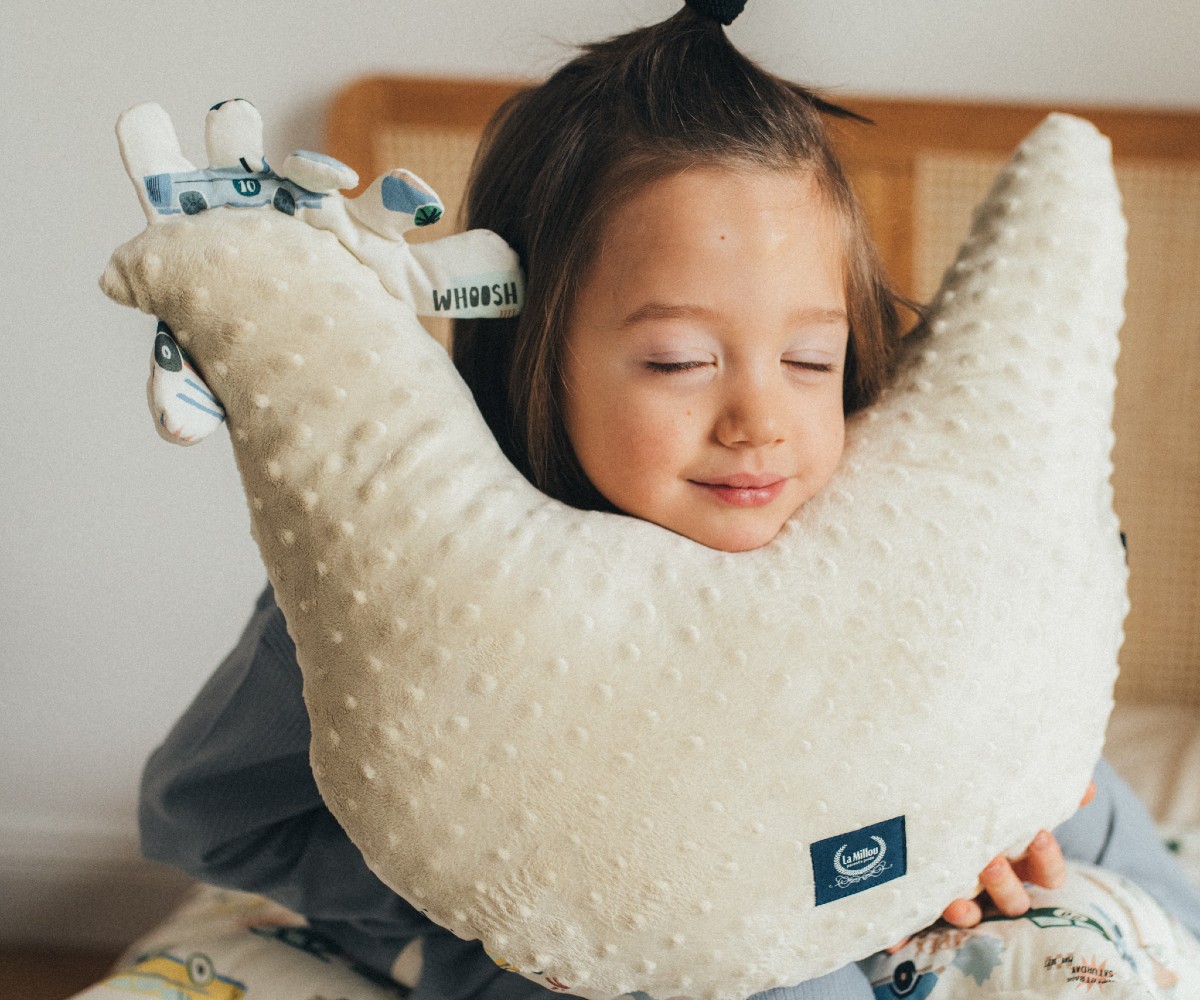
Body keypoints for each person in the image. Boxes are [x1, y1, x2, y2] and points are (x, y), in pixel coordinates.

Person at [139, 3, 1200, 999]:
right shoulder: (416, 605)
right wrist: (483, 912)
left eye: (809, 358)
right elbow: (206, 816)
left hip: (903, 879)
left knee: (1097, 838)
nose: (759, 419)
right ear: (534, 353)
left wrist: (985, 822)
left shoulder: (895, 552)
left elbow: (1059, 784)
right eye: (680, 361)